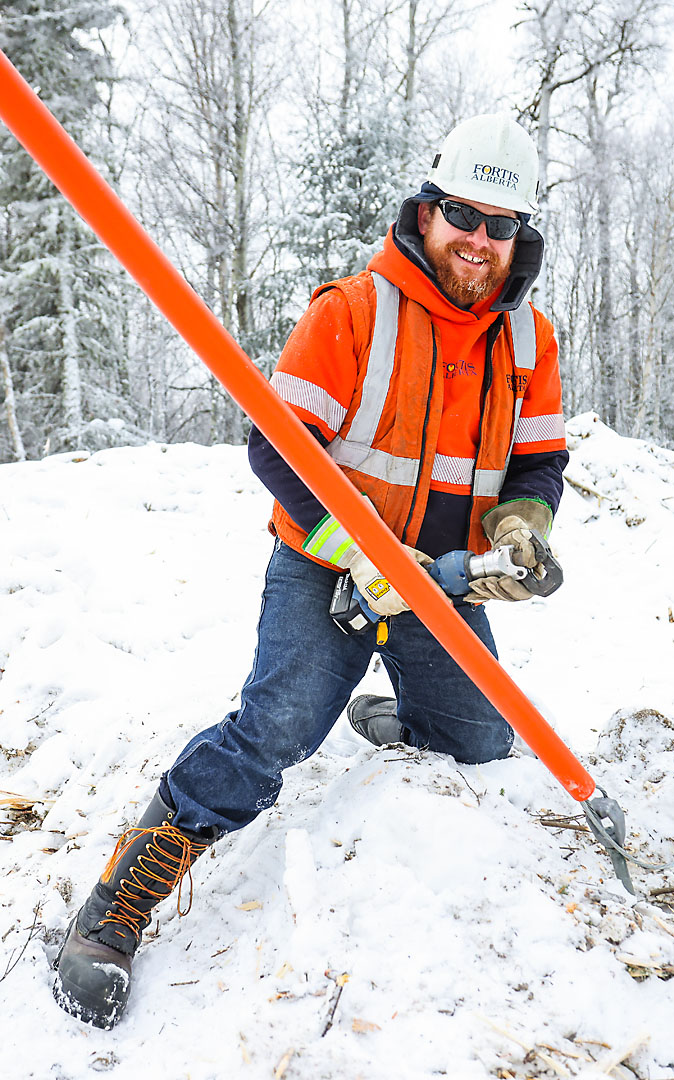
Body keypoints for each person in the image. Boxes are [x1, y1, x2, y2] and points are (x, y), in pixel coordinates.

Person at [53, 113, 568, 1029]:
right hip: (322, 562)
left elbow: (535, 463)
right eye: (461, 215)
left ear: (518, 235)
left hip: (434, 584)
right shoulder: (352, 312)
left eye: (499, 225)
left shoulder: (529, 344)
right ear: (426, 208)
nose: (478, 241)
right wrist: (369, 551)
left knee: (483, 744)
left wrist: (523, 525)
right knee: (276, 729)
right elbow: (277, 452)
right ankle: (114, 908)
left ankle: (389, 709)